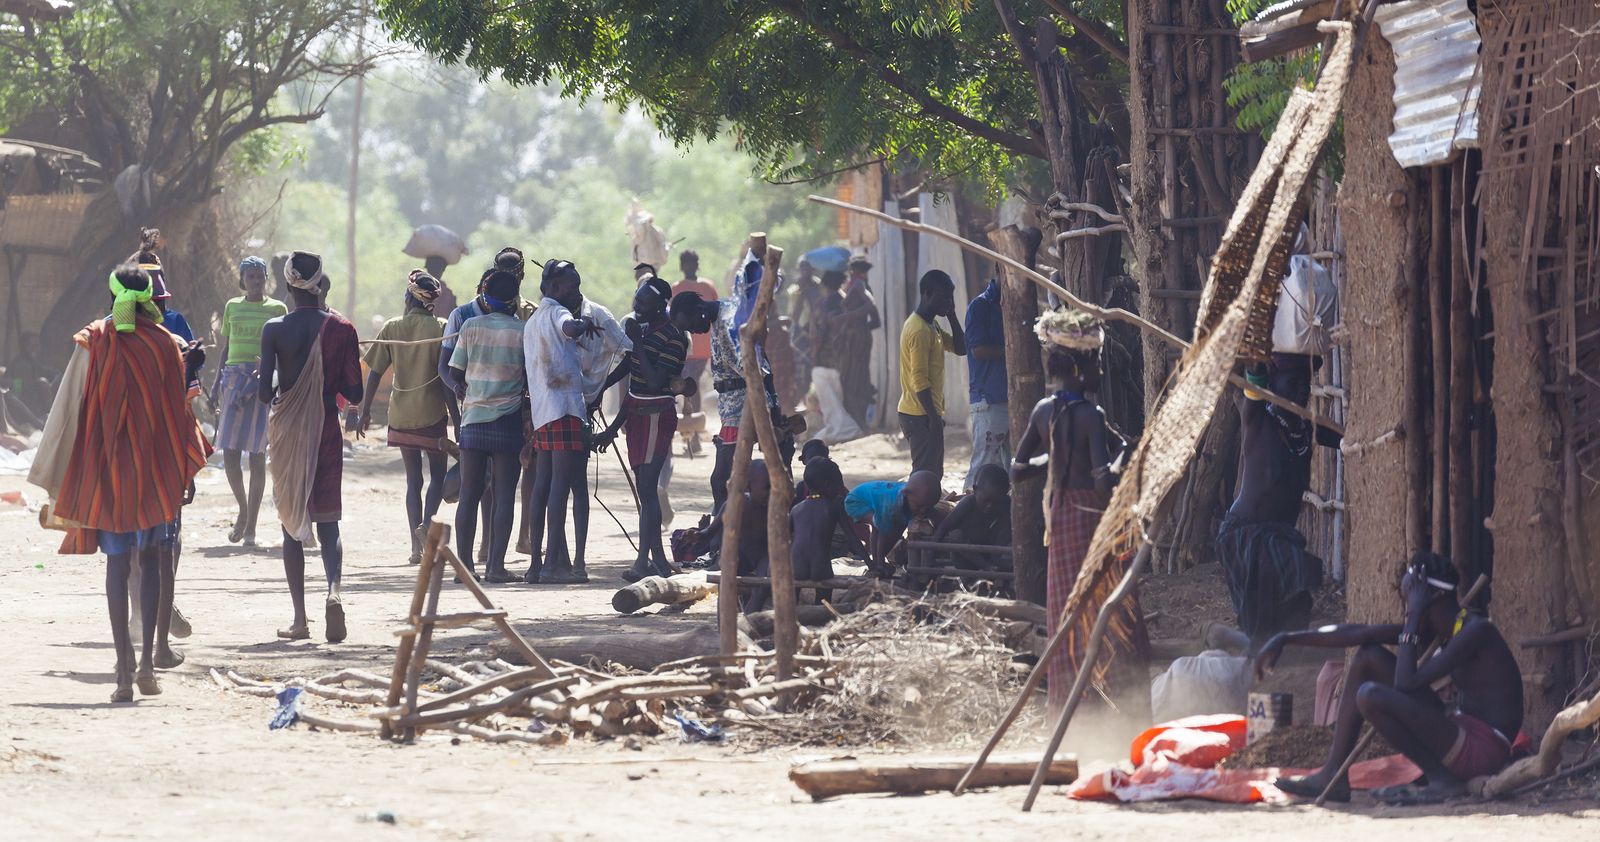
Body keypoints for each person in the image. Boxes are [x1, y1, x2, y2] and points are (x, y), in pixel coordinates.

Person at [31, 262, 210, 701]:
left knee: (116, 565)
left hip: (110, 473)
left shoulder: (93, 341)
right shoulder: (168, 344)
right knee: (151, 562)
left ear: (111, 298)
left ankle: (124, 671)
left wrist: (59, 473)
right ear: (150, 298)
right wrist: (185, 467)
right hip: (153, 473)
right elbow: (177, 413)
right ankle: (149, 661)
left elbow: (69, 410)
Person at [1257, 553, 1523, 804]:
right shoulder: (1448, 629)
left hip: (1483, 749)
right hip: (1461, 731)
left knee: (1370, 695)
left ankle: (1441, 779)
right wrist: (1286, 638)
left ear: (1428, 599)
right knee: (1367, 657)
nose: (1406, 607)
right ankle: (1333, 773)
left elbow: (1405, 684)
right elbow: (1362, 634)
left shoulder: (1475, 632)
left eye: (1408, 600)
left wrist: (1414, 615)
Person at [1013, 308, 1147, 719]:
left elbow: (1017, 470)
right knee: (1109, 607)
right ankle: (1118, 704)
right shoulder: (1092, 417)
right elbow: (1103, 482)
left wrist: (1053, 461)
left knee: (1067, 612)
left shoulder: (1042, 412)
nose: (1102, 372)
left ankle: (1070, 707)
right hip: (1092, 520)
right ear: (1076, 368)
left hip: (1062, 516)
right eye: (1096, 364)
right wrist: (1126, 455)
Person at [258, 251, 363, 643]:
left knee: (291, 525)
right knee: (329, 522)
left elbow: (262, 394)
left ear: (287, 286)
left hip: (287, 434)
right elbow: (354, 390)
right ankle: (334, 592)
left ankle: (300, 620)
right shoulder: (342, 329)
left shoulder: (274, 330)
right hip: (325, 431)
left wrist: (264, 374)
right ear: (319, 286)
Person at [1217, 352, 1341, 652]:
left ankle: (1271, 656)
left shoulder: (1306, 427)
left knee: (1294, 606)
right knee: (1293, 575)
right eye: (1292, 382)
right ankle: (1234, 645)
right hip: (1247, 537)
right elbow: (1254, 384)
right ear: (1273, 383)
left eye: (1305, 383)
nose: (1301, 390)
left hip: (1278, 538)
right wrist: (1259, 357)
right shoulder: (1258, 420)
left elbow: (1343, 437)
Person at [523, 259, 629, 584]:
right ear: (555, 289)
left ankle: (537, 564)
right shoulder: (559, 312)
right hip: (568, 408)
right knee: (569, 486)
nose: (577, 293)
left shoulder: (531, 322)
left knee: (543, 484)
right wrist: (581, 325)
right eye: (572, 287)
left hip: (543, 413)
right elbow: (569, 326)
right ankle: (564, 563)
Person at [440, 249, 539, 561]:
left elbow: (454, 371)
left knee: (470, 493)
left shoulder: (469, 327)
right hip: (508, 421)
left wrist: (461, 389)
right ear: (513, 301)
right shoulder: (523, 331)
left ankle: (466, 564)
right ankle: (496, 564)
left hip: (472, 420)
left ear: (485, 294)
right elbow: (529, 377)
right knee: (505, 494)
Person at [594, 275, 691, 581]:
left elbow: (653, 382)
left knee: (647, 491)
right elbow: (632, 377)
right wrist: (601, 388)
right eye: (636, 302)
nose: (636, 309)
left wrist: (636, 341)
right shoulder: (646, 330)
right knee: (645, 492)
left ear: (662, 306)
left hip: (655, 417)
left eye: (643, 305)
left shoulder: (675, 337)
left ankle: (642, 563)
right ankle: (659, 561)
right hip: (637, 414)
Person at [670, 280, 798, 513]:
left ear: (698, 310)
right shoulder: (718, 316)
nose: (694, 332)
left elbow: (759, 365)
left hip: (747, 403)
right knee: (734, 477)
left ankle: (726, 536)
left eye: (690, 325)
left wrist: (774, 405)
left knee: (724, 479)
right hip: (732, 406)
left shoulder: (729, 320)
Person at [358, 271, 453, 565]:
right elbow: (447, 380)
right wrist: (458, 420)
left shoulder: (391, 327)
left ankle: (415, 547)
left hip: (400, 414)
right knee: (437, 475)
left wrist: (363, 410)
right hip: (431, 413)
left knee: (413, 480)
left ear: (409, 297)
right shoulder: (443, 327)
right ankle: (426, 523)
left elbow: (374, 372)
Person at [211, 256, 287, 547]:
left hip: (262, 382)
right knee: (229, 450)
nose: (255, 281)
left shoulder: (277, 309)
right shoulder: (232, 306)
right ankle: (242, 509)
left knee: (256, 453)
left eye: (260, 276)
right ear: (242, 279)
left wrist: (273, 374)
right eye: (250, 276)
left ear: (266, 279)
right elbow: (225, 347)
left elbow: (282, 350)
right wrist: (217, 381)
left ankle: (251, 526)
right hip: (232, 378)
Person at [898, 269, 967, 479]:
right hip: (919, 415)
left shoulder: (932, 325)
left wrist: (953, 314)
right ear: (927, 294)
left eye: (951, 297)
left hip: (926, 413)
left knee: (933, 474)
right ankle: (916, 512)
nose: (948, 302)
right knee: (924, 477)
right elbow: (919, 380)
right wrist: (934, 419)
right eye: (944, 297)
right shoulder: (918, 330)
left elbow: (960, 348)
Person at [787, 457, 866, 605]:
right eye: (838, 485)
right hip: (820, 568)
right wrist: (872, 564)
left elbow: (786, 540)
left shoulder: (796, 509)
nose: (839, 489)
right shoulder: (835, 505)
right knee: (823, 598)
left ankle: (791, 608)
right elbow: (852, 538)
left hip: (796, 567)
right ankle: (821, 611)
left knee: (792, 596)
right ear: (827, 485)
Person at [843, 471, 942, 575]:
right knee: (877, 526)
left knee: (888, 527)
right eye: (920, 506)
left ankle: (878, 561)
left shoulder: (914, 498)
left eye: (927, 507)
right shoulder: (891, 505)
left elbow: (933, 514)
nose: (923, 511)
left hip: (875, 500)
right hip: (856, 502)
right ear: (906, 493)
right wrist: (881, 563)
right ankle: (878, 564)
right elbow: (882, 532)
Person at [964, 278, 1010, 490]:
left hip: (1010, 396)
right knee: (983, 464)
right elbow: (978, 350)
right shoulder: (980, 306)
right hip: (989, 399)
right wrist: (1013, 350)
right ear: (999, 270)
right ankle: (967, 513)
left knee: (1009, 465)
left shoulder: (1012, 302)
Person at [930, 463, 1013, 570]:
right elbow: (944, 527)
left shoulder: (1005, 503)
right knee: (956, 535)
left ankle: (995, 563)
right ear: (975, 489)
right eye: (986, 500)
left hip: (992, 552)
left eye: (996, 502)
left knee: (1008, 527)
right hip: (967, 558)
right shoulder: (967, 503)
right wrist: (930, 553)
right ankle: (988, 567)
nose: (990, 506)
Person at [671, 249, 718, 426]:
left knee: (691, 383)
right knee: (687, 384)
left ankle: (693, 429)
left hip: (700, 347)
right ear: (682, 266)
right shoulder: (676, 288)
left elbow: (716, 314)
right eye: (687, 263)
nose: (690, 266)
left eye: (693, 263)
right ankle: (690, 428)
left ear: (697, 265)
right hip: (684, 346)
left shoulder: (707, 287)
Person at [839, 252, 882, 430]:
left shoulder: (858, 284)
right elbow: (876, 321)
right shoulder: (859, 285)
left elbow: (871, 306)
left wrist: (850, 319)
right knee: (858, 377)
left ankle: (861, 424)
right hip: (859, 336)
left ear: (854, 270)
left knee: (854, 379)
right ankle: (861, 422)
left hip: (857, 338)